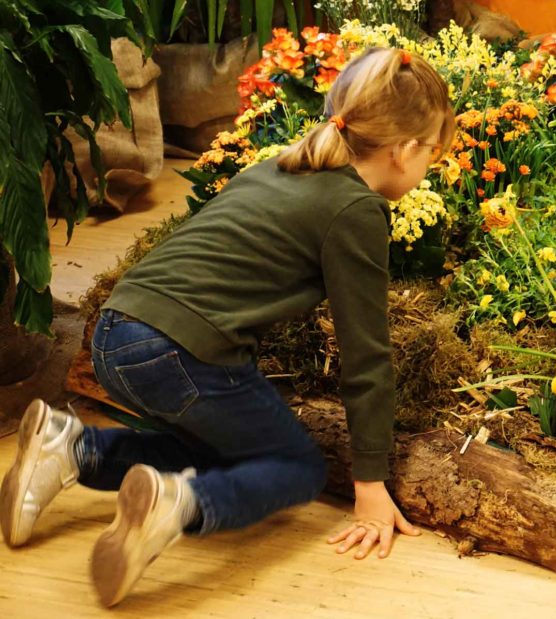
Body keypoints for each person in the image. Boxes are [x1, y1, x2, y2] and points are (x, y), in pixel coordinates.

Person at [0, 47, 454, 607]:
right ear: (405, 149)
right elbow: (366, 356)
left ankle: (72, 450)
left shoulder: (281, 166)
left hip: (117, 332)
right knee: (296, 466)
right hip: (179, 351)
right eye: (434, 151)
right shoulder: (355, 210)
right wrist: (368, 484)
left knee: (223, 453)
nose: (431, 163)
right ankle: (180, 505)